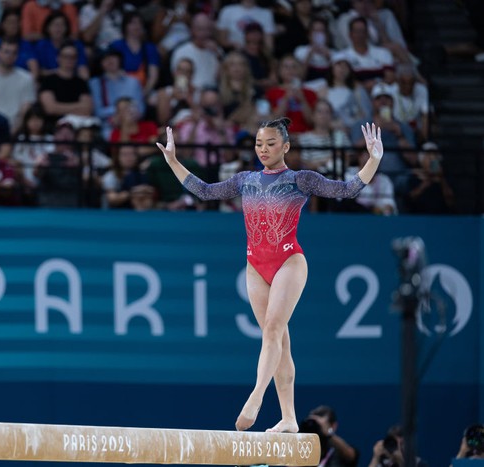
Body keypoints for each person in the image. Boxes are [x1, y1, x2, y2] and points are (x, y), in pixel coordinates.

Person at [155, 117, 384, 432]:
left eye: (271, 144)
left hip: (289, 260)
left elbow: (344, 190)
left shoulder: (300, 179)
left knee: (274, 330)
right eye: (259, 143)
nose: (263, 149)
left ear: (286, 146)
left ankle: (257, 395)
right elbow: (205, 192)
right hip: (255, 266)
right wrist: (173, 161)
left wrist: (373, 160)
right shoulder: (245, 180)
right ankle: (289, 418)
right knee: (278, 343)